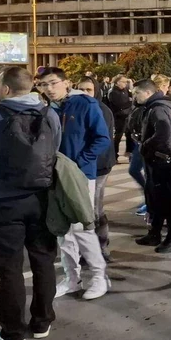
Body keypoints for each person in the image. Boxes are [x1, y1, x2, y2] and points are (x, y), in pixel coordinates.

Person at [0, 67, 61, 340]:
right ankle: (41, 323)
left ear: (5, 89)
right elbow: (55, 150)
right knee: (43, 261)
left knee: (9, 269)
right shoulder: (51, 114)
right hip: (42, 199)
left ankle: (12, 332)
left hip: (3, 201)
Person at [39, 67, 111, 300]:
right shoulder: (46, 109)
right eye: (44, 84)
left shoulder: (85, 104)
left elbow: (102, 138)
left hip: (80, 176)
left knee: (83, 227)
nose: (49, 89)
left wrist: (79, 163)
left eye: (53, 83)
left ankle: (100, 277)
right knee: (63, 230)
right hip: (53, 176)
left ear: (66, 83)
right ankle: (72, 278)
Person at [133, 79, 171, 253]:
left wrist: (146, 145)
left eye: (136, 92)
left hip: (162, 159)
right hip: (156, 159)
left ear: (147, 93)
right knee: (154, 197)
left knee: (166, 199)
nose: (134, 96)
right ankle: (155, 232)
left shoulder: (158, 108)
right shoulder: (154, 106)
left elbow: (164, 133)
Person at [76, 77, 117, 262]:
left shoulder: (102, 110)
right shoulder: (75, 107)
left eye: (89, 89)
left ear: (96, 91)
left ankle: (100, 247)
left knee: (94, 208)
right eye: (81, 89)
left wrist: (86, 159)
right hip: (79, 166)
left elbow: (102, 141)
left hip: (98, 166)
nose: (85, 93)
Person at [108, 75, 134, 160]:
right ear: (117, 82)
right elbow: (119, 105)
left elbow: (132, 98)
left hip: (127, 115)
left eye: (126, 82)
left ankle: (129, 152)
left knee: (129, 135)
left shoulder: (126, 90)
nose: (125, 84)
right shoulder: (113, 92)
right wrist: (129, 103)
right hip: (119, 116)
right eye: (123, 82)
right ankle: (114, 154)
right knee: (118, 136)